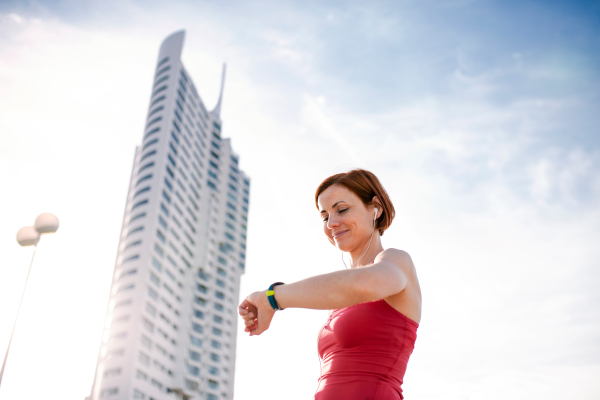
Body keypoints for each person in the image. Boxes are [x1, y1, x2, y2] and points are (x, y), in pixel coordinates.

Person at [238, 169, 422, 400]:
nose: (332, 223)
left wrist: (272, 298)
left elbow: (364, 285)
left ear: (376, 208)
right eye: (325, 216)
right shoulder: (337, 300)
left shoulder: (396, 260)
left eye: (342, 209)